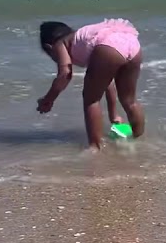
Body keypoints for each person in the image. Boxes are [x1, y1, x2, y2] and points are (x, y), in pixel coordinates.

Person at [38, 19, 146, 149]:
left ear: (50, 47)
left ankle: (95, 148)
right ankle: (138, 141)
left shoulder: (59, 44)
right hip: (132, 44)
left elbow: (65, 74)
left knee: (91, 99)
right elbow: (108, 82)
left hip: (108, 45)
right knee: (130, 101)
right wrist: (114, 115)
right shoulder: (84, 39)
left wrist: (49, 99)